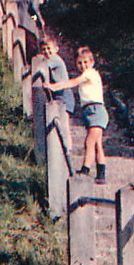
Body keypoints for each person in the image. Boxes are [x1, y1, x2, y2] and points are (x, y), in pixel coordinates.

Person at [47, 46, 108, 183]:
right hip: (89, 111)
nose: (83, 66)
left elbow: (73, 82)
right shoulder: (87, 74)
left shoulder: (90, 73)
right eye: (80, 63)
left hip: (96, 111)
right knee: (97, 144)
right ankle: (101, 174)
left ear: (92, 62)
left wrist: (54, 86)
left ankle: (85, 170)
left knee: (89, 142)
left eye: (86, 62)